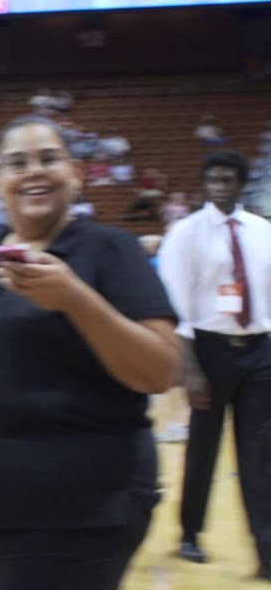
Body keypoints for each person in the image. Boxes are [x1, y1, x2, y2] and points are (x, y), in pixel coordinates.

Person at [0, 115, 180, 590]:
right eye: (17, 163)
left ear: (76, 175)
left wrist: (75, 299)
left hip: (68, 517)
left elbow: (161, 370)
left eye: (49, 158)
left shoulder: (109, 250)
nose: (33, 171)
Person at [158, 151, 271, 579]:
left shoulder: (263, 231)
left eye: (228, 179)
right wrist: (189, 368)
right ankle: (190, 533)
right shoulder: (185, 232)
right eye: (213, 179)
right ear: (204, 183)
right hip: (207, 349)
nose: (221, 185)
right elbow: (176, 302)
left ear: (241, 183)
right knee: (203, 448)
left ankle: (266, 550)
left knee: (261, 454)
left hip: (260, 349)